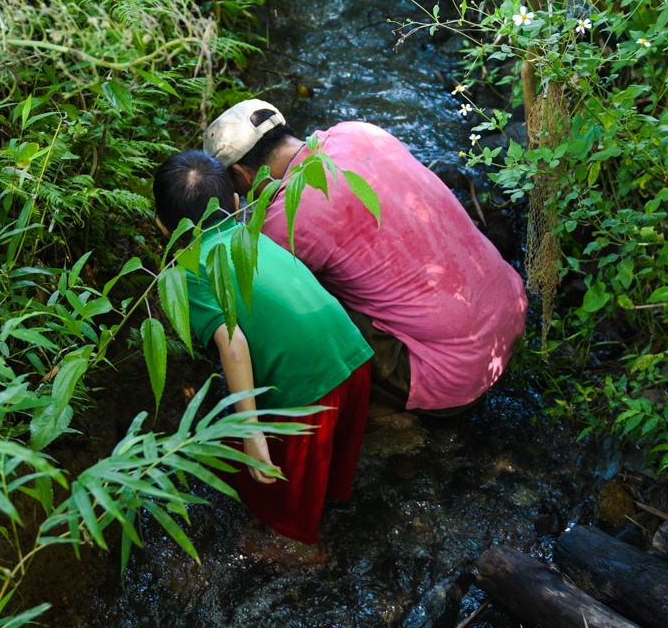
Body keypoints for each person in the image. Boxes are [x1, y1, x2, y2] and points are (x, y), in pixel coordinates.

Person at [204, 99, 525, 417]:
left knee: (299, 314)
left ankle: (383, 414)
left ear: (242, 175)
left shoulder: (281, 223)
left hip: (454, 376)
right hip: (509, 310)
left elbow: (256, 306)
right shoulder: (356, 132)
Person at [153, 149, 374, 548]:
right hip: (353, 360)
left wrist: (251, 433)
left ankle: (299, 553)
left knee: (281, 517)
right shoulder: (253, 236)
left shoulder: (188, 269)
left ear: (161, 227)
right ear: (236, 202)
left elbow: (232, 343)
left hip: (307, 393)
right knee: (324, 484)